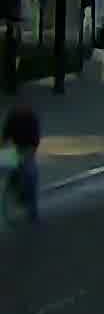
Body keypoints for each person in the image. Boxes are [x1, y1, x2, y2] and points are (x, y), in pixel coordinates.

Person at [4, 85, 42, 228]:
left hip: (28, 149)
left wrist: (29, 153)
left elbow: (35, 140)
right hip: (15, 148)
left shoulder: (31, 119)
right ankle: (15, 193)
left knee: (31, 174)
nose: (21, 107)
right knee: (7, 170)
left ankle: (33, 210)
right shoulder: (12, 117)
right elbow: (5, 135)